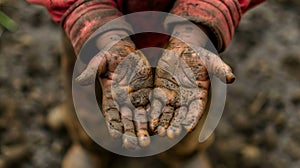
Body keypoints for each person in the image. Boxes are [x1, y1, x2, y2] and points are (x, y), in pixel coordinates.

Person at [27, 0, 265, 167]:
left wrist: (201, 22)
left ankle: (184, 153)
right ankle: (90, 145)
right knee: (90, 84)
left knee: (189, 87)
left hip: (189, 28)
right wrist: (88, 15)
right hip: (95, 34)